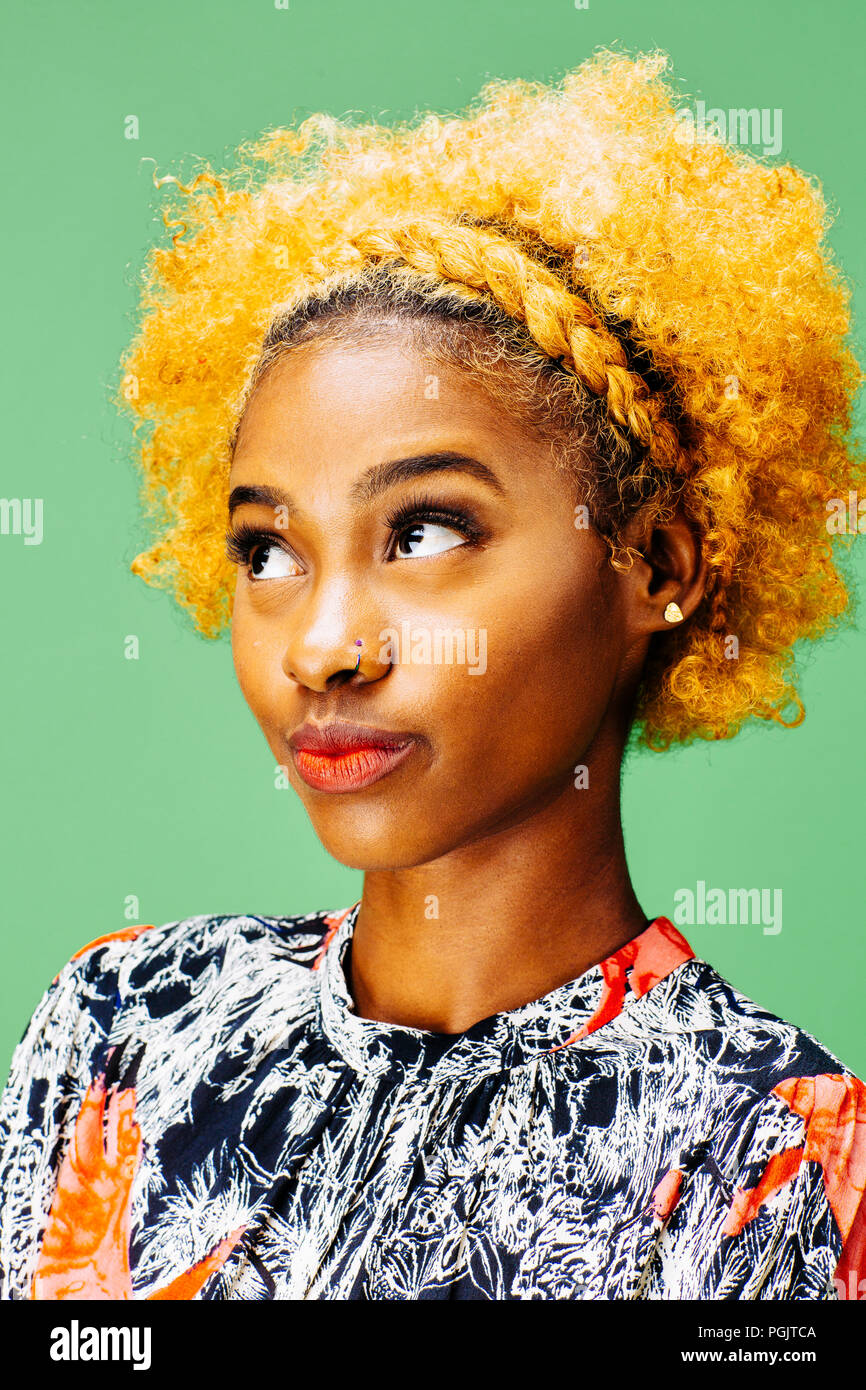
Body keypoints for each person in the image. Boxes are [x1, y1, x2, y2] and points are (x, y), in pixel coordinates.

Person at [1, 48, 864, 1302]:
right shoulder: (122, 1028)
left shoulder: (782, 1160)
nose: (320, 645)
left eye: (424, 531)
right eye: (268, 549)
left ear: (654, 565)